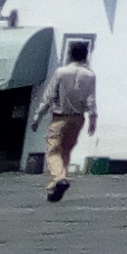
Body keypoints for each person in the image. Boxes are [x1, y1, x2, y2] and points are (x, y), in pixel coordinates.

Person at [30, 44, 98, 203]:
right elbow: (91, 99)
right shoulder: (90, 75)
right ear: (85, 56)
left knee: (53, 151)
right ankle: (55, 187)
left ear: (70, 55)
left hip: (61, 117)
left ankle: (59, 179)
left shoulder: (61, 72)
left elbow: (49, 96)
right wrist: (93, 119)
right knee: (66, 151)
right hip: (78, 118)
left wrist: (37, 118)